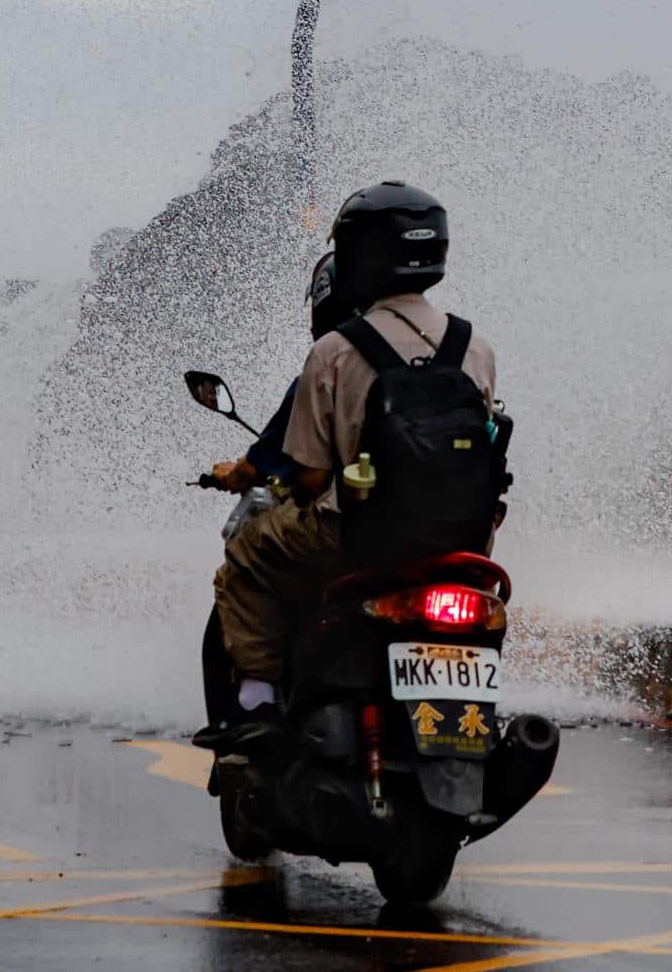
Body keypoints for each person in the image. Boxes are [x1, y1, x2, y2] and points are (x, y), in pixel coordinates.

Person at [195, 182, 498, 753]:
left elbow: (309, 477)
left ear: (359, 257)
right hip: (464, 542)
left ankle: (255, 702)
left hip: (356, 537)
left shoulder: (335, 351)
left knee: (245, 557)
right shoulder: (474, 346)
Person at [206, 252, 348, 494]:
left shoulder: (323, 373)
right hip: (417, 514)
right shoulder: (419, 355)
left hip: (347, 519)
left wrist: (231, 474)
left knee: (250, 528)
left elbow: (250, 471)